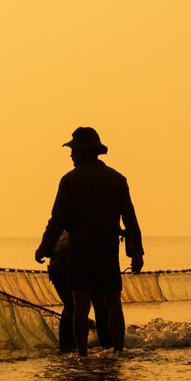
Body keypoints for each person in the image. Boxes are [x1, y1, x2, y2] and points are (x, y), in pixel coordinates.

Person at [34, 127, 143, 356]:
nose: (71, 155)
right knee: (113, 301)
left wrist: (45, 247)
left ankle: (82, 355)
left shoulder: (69, 180)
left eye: (73, 150)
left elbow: (57, 219)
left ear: (84, 151)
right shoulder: (117, 179)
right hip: (107, 248)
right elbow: (130, 218)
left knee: (80, 305)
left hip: (80, 249)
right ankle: (119, 351)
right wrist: (137, 253)